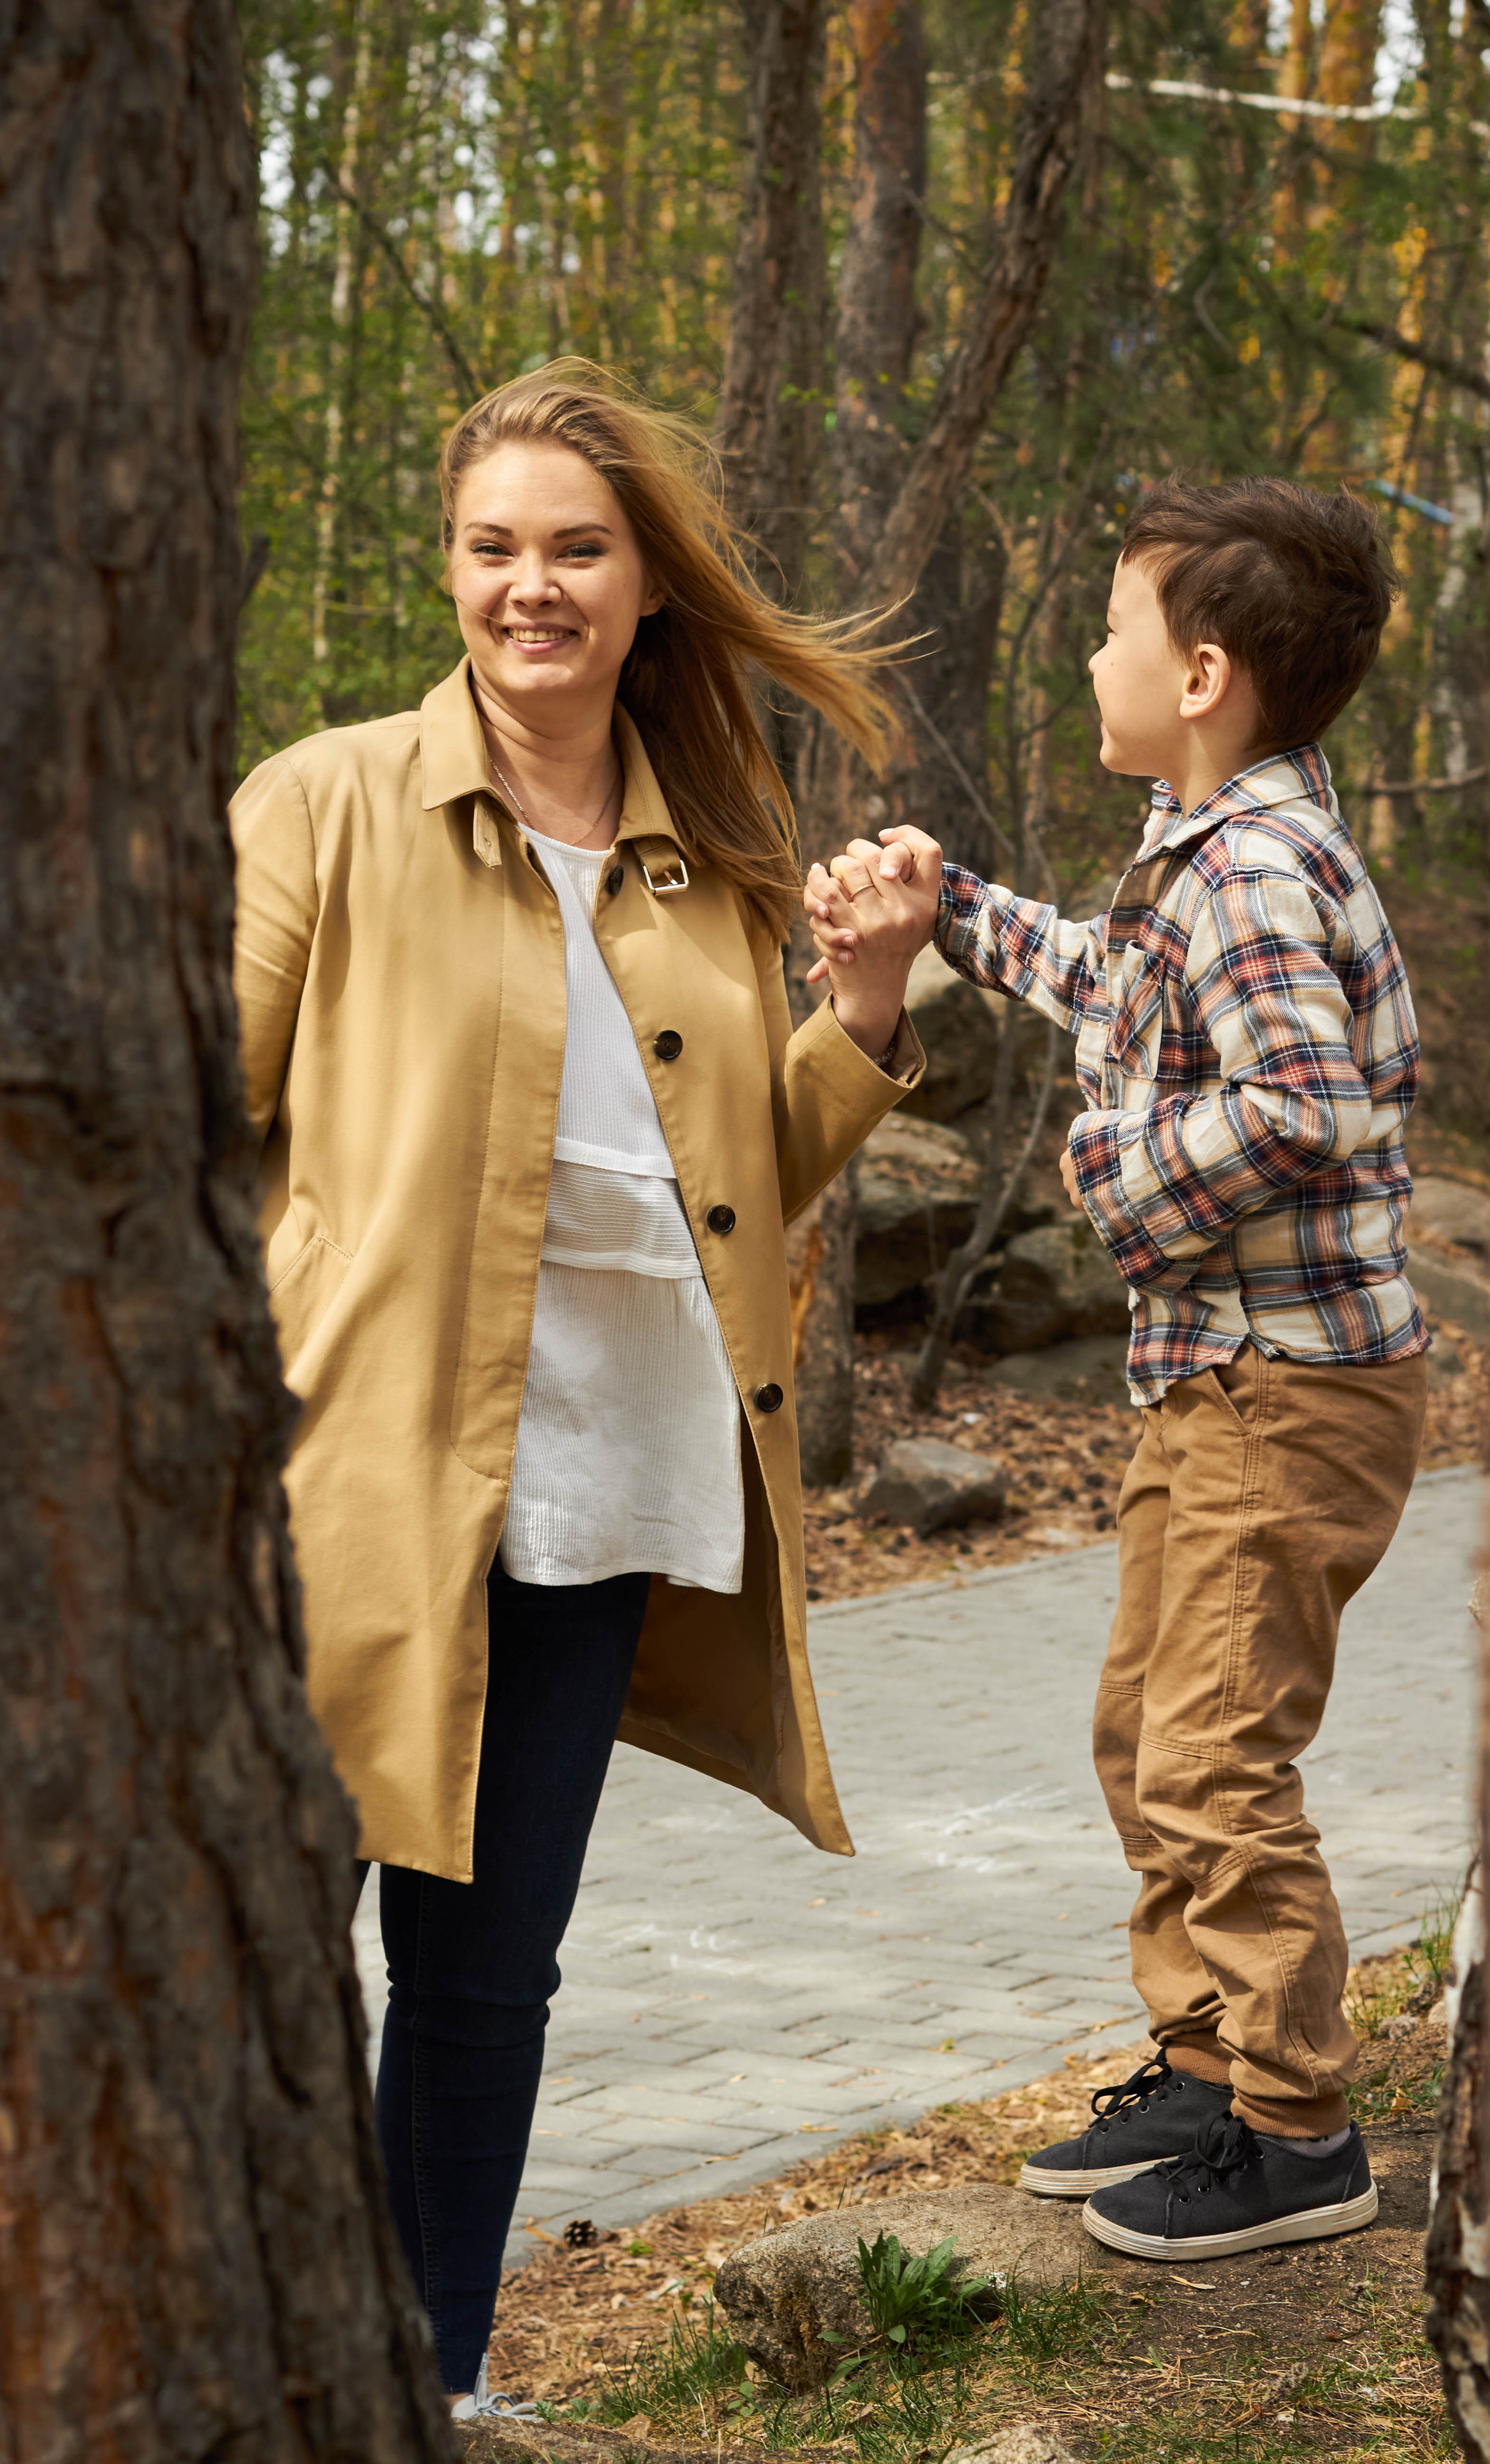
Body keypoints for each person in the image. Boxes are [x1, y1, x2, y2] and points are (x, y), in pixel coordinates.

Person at [230, 361, 934, 2411]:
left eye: (575, 550)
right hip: (346, 1486)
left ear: (645, 588)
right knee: (263, 1948)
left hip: (603, 1485)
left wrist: (864, 1006)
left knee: (482, 1986)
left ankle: (423, 2387)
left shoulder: (709, 855)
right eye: (493, 548)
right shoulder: (328, 802)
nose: (530, 587)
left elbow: (739, 1188)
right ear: (450, 570)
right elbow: (188, 1125)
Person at [807, 476, 1426, 2262]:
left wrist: (1110, 1175)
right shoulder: (1202, 850)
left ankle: (1299, 2127)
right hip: (1218, 1378)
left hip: (1282, 1389)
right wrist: (949, 911)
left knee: (1216, 1754)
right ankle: (1213, 2062)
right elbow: (1109, 989)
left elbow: (1300, 1105)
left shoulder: (1250, 867)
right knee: (1146, 1732)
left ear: (1205, 673)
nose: (1092, 655)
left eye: (1112, 628)